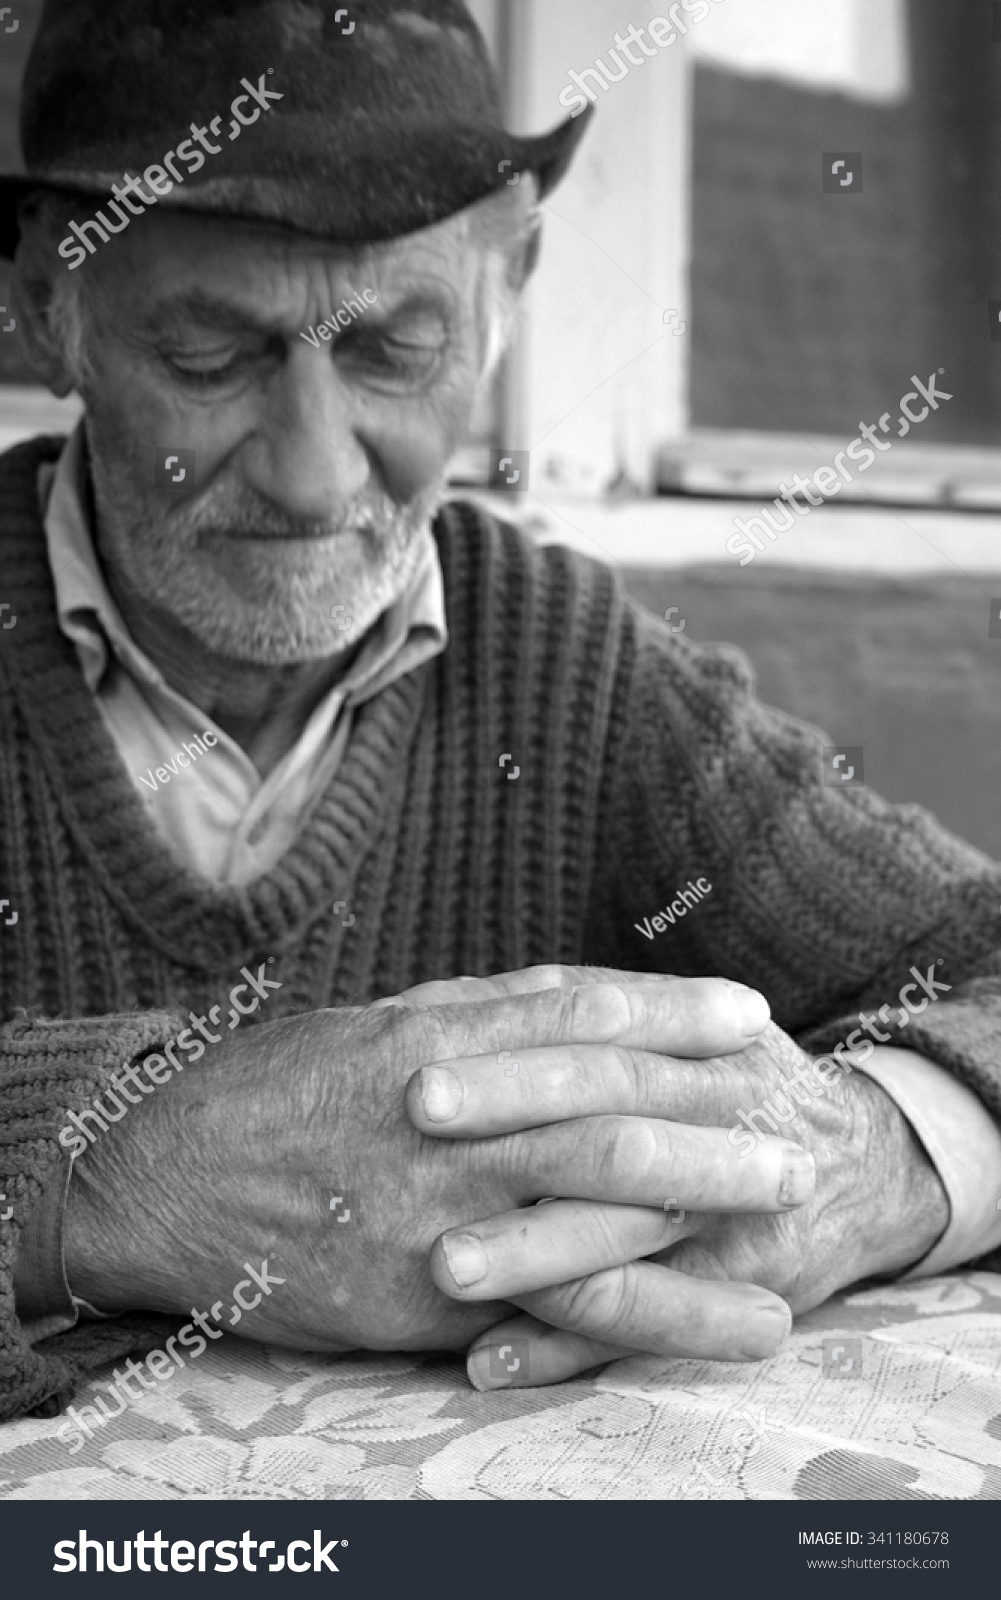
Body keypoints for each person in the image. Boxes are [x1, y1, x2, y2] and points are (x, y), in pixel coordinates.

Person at [1, 0, 1000, 1426]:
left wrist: (860, 1158)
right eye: (211, 357)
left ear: (507, 286)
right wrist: (119, 1166)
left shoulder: (567, 668)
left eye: (395, 349)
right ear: (53, 302)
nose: (310, 470)